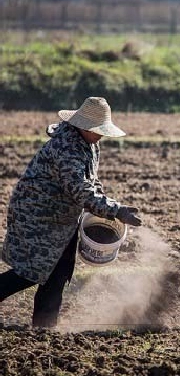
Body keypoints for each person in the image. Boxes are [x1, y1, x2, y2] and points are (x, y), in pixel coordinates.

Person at [0, 97, 142, 328]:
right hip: (38, 215)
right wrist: (115, 210)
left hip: (61, 216)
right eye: (98, 130)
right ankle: (43, 325)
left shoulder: (89, 144)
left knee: (59, 272)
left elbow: (91, 184)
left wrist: (108, 206)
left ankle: (44, 328)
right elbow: (80, 189)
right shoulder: (66, 148)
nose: (101, 135)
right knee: (31, 271)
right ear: (83, 126)